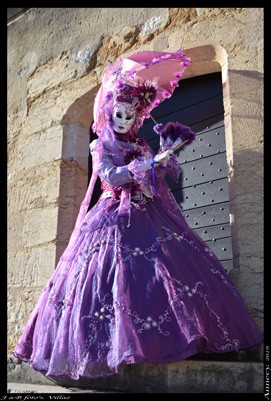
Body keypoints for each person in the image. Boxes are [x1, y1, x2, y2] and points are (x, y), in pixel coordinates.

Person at [13, 49, 263, 380]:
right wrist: (143, 165)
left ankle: (169, 339)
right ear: (109, 110)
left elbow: (151, 186)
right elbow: (112, 177)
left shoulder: (142, 145)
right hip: (110, 215)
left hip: (147, 212)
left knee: (163, 270)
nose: (124, 121)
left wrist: (161, 160)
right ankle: (108, 346)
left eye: (131, 116)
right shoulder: (99, 145)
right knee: (109, 275)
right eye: (119, 114)